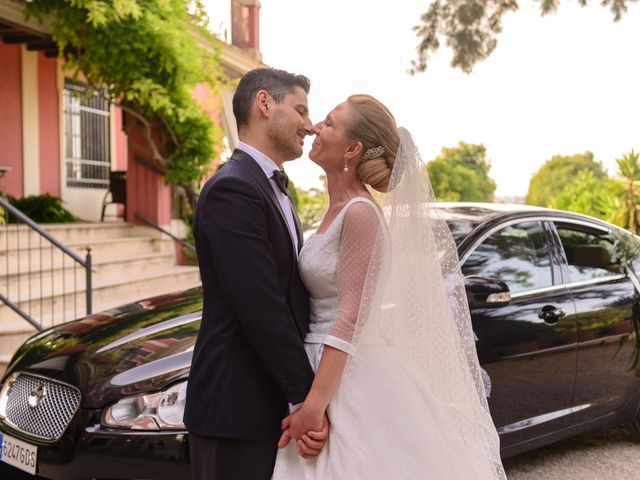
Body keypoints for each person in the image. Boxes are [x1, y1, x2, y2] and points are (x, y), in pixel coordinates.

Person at [272, 94, 506, 479]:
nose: (315, 127)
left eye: (329, 123)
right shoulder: (335, 210)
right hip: (320, 364)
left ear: (352, 149)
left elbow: (349, 316)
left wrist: (314, 406)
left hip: (347, 375)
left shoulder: (361, 213)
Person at [184, 68, 328, 480]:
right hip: (236, 408)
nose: (310, 125)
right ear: (265, 103)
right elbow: (261, 307)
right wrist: (305, 398)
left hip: (263, 405)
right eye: (300, 110)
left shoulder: (272, 186)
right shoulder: (234, 189)